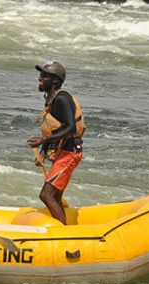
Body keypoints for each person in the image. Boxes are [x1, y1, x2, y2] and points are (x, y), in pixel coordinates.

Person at [26, 60, 85, 225]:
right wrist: (44, 152)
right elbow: (56, 129)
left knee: (47, 195)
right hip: (62, 152)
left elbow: (71, 128)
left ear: (55, 81)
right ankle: (62, 223)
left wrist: (44, 140)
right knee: (55, 195)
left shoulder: (62, 99)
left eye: (44, 76)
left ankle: (62, 233)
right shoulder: (52, 99)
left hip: (70, 153)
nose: (39, 78)